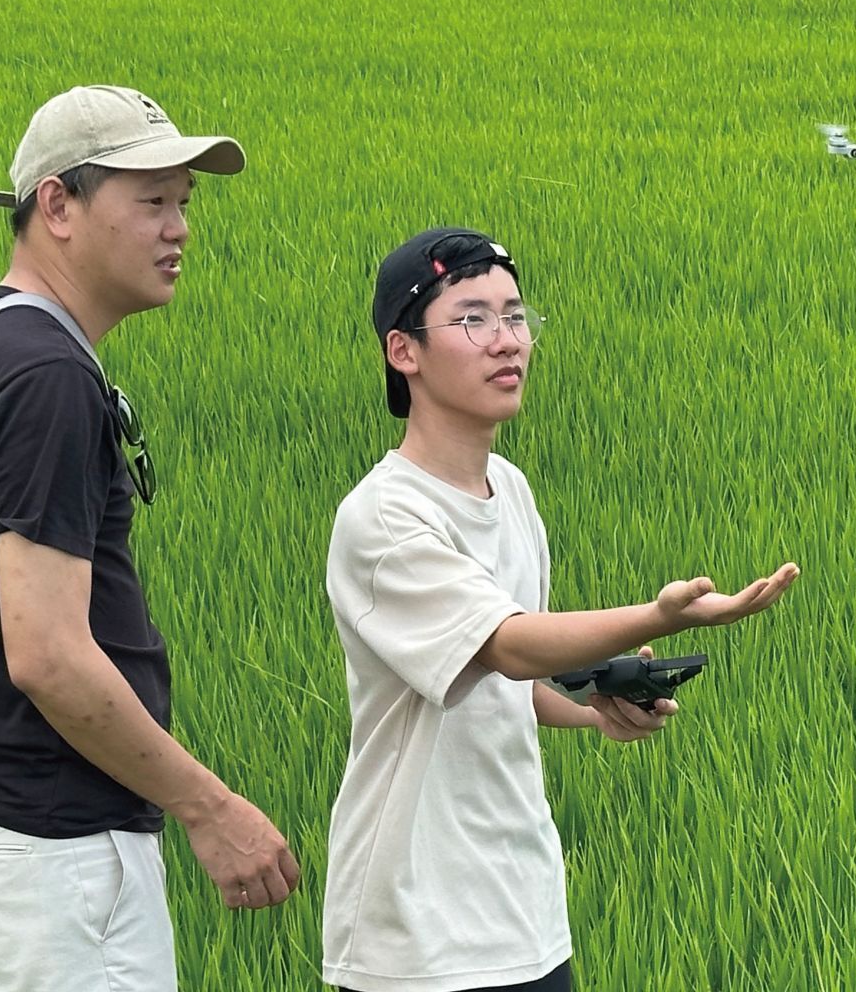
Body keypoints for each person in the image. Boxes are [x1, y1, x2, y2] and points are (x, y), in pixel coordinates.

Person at [0, 85, 300, 992]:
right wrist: (211, 808)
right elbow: (46, 654)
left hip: (4, 841)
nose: (180, 230)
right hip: (60, 863)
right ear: (58, 206)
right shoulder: (45, 377)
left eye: (185, 204)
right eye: (151, 201)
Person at [323, 227, 799, 992]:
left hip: (524, 911)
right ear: (402, 351)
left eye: (516, 316)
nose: (507, 341)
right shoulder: (383, 517)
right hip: (415, 937)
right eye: (473, 318)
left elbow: (507, 682)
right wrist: (661, 615)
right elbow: (506, 645)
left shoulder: (508, 491)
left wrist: (597, 709)